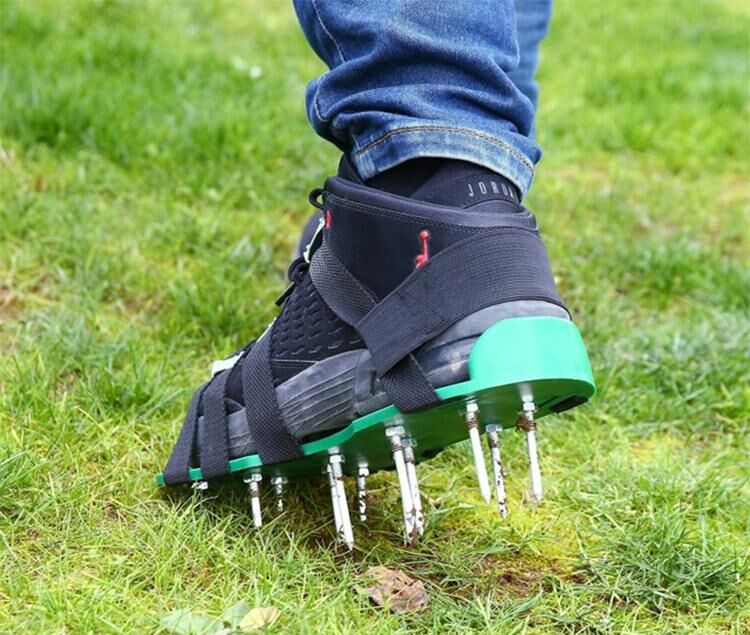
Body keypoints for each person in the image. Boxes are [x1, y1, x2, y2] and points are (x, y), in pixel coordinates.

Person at [158, 0, 595, 548]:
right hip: (495, 237)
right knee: (474, 110)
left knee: (447, 120)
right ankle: (473, 204)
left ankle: (422, 199)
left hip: (422, 247)